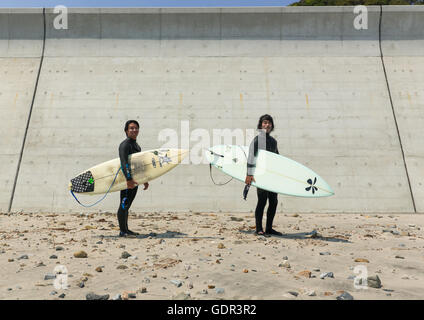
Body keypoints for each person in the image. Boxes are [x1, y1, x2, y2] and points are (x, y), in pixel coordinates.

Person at [245, 114, 283, 237]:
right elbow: (251, 157)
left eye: (269, 123)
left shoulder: (273, 141)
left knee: (273, 201)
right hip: (261, 175)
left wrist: (280, 173)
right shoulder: (257, 140)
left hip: (271, 176)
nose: (267, 125)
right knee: (262, 201)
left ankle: (269, 228)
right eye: (265, 123)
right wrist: (249, 175)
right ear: (261, 125)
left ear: (272, 125)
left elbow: (277, 158)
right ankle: (259, 229)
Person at [117, 120, 149, 237]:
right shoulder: (125, 145)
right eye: (131, 128)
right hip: (128, 180)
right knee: (124, 204)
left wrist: (144, 179)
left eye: (136, 128)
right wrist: (128, 179)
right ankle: (122, 231)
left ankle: (126, 229)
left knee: (128, 204)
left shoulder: (136, 146)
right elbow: (124, 163)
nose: (134, 130)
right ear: (126, 131)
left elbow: (138, 165)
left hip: (135, 181)